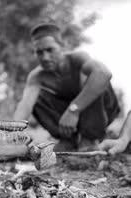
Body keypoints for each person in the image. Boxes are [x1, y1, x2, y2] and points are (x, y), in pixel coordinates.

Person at [14, 23, 120, 151]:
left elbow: (104, 73)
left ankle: (90, 138)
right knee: (37, 98)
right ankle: (68, 139)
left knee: (96, 79)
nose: (45, 57)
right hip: (70, 120)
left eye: (49, 50)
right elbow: (25, 104)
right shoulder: (37, 76)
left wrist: (73, 110)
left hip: (101, 113)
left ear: (62, 46)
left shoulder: (78, 59)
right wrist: (14, 132)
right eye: (39, 52)